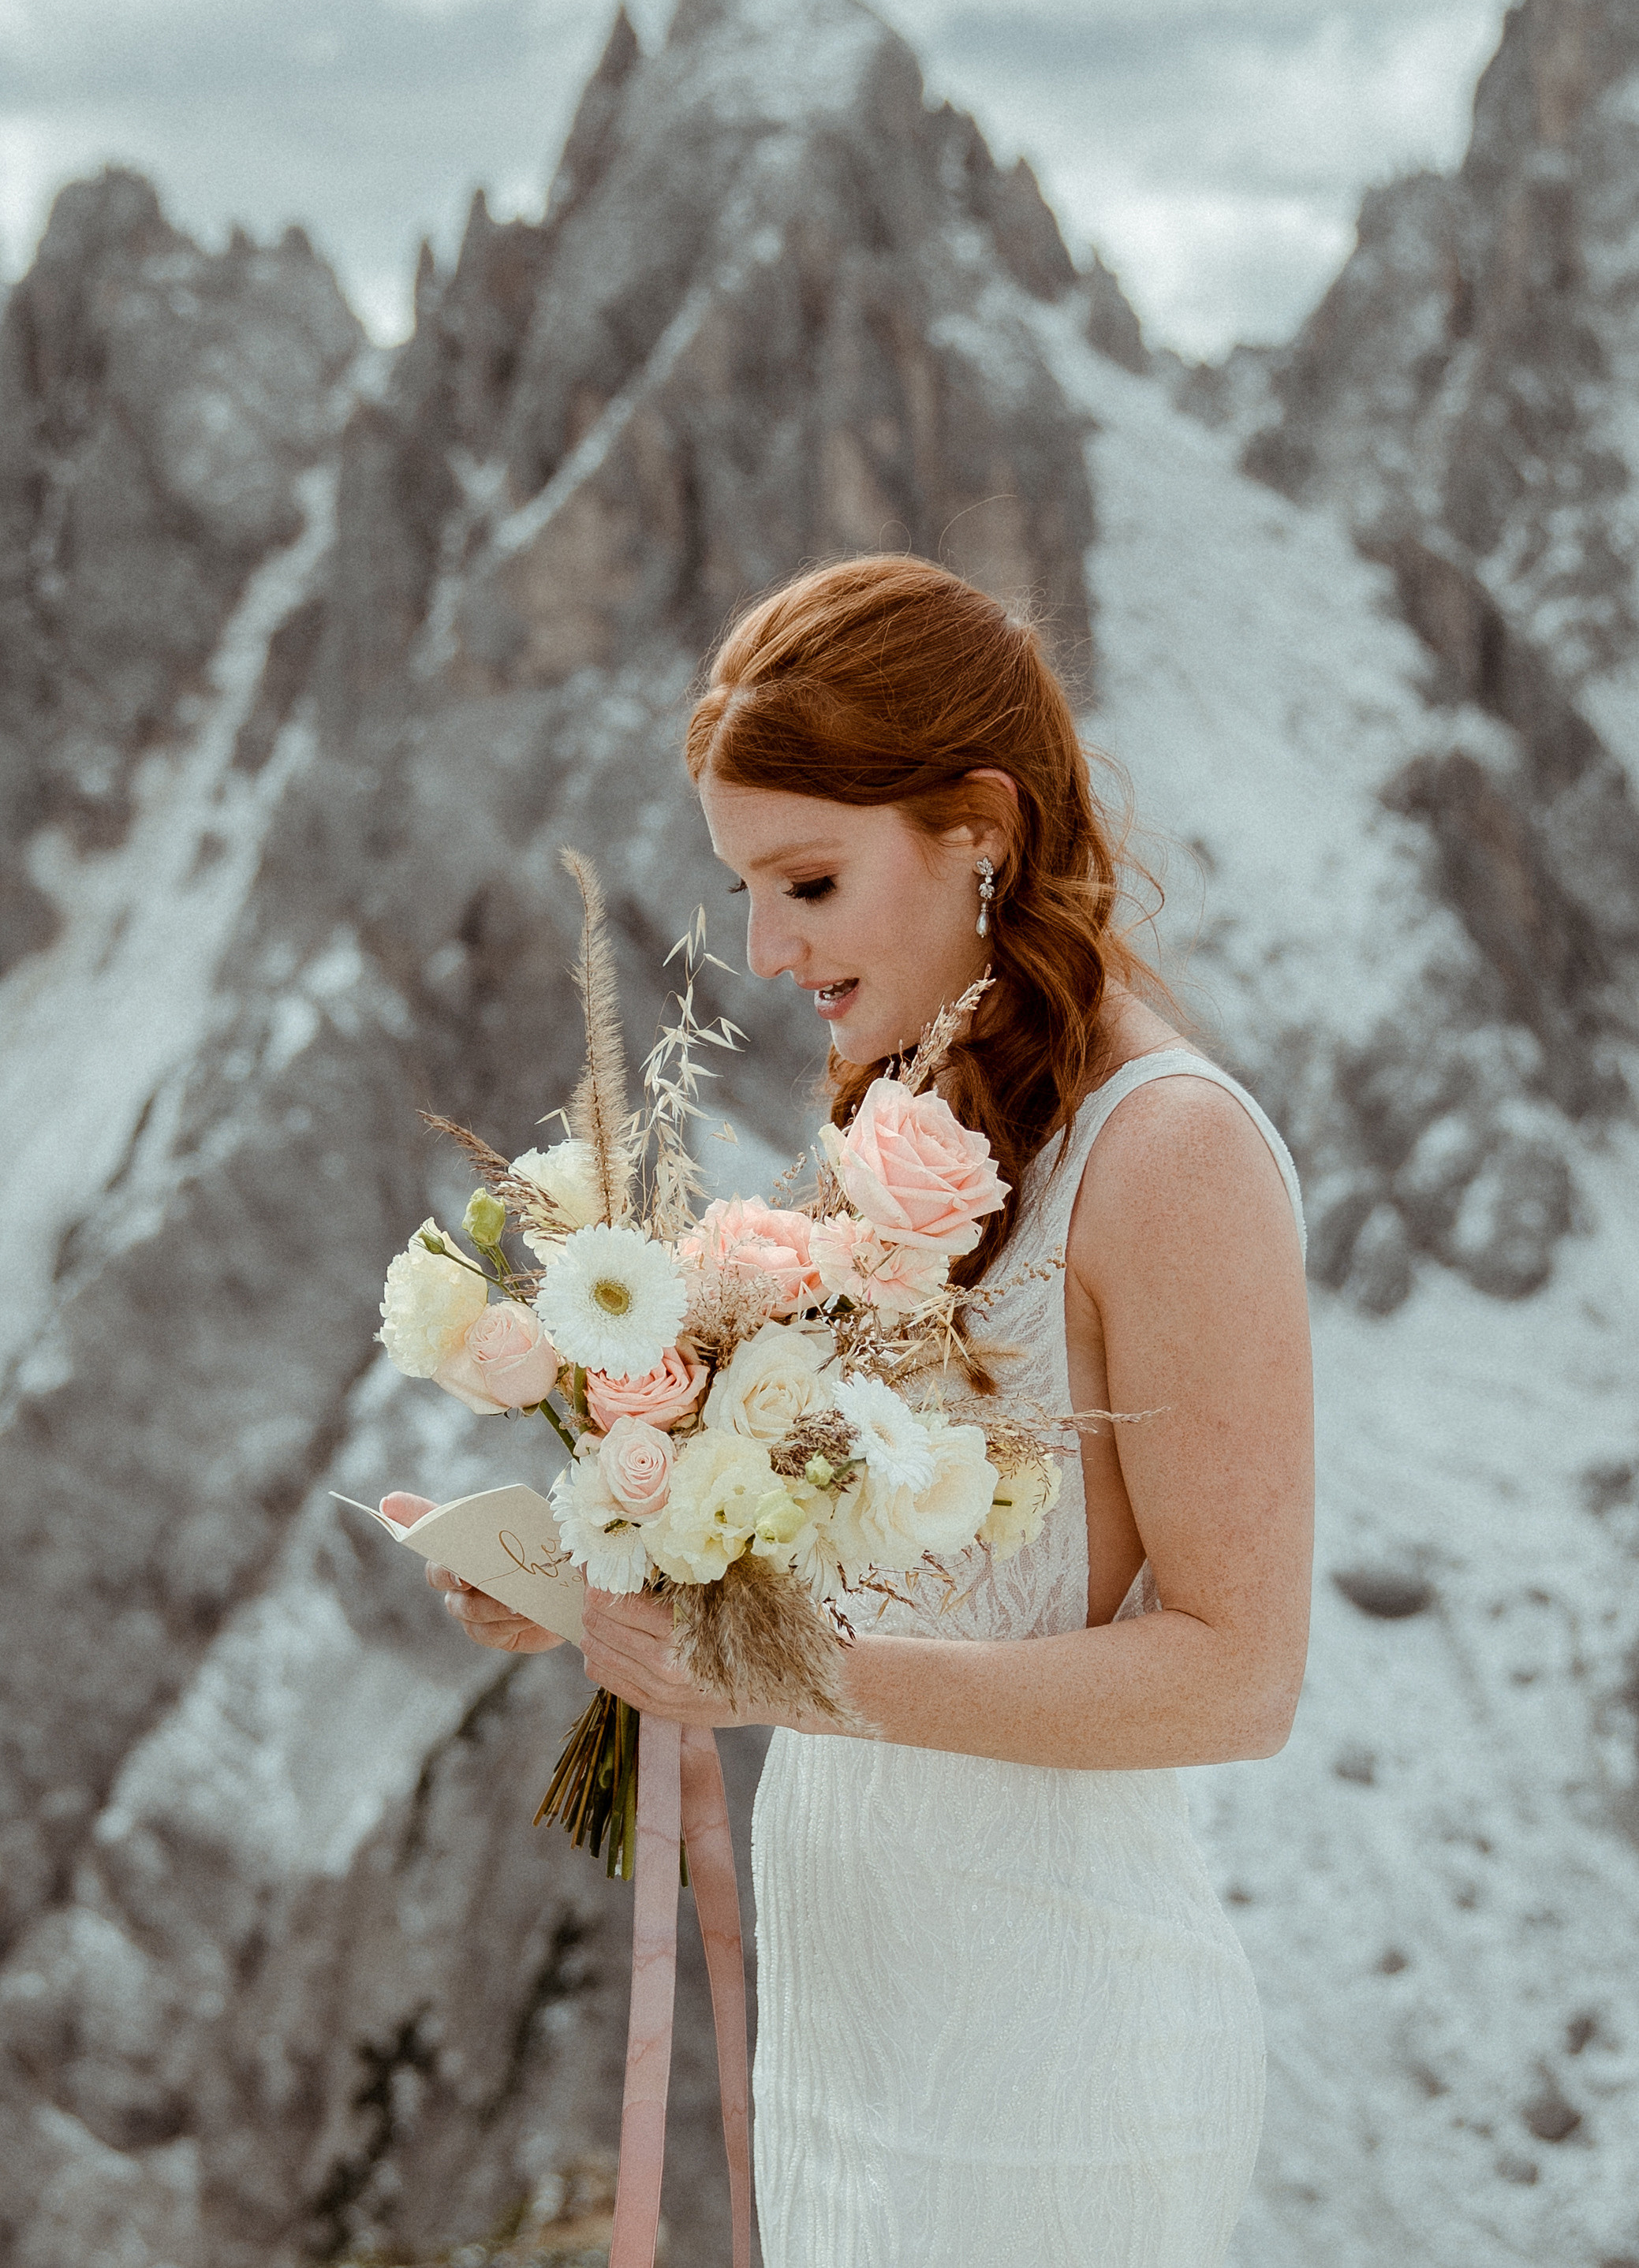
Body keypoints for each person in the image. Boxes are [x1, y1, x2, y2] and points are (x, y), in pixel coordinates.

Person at [389, 554, 1313, 2266]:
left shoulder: (1172, 1152)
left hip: (1057, 2070)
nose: (760, 947)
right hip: (852, 2028)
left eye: (804, 877)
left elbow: (1238, 1671)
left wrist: (783, 1676)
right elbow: (881, 1566)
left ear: (978, 826)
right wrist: (606, 1559)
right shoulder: (929, 1127)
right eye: (742, 884)